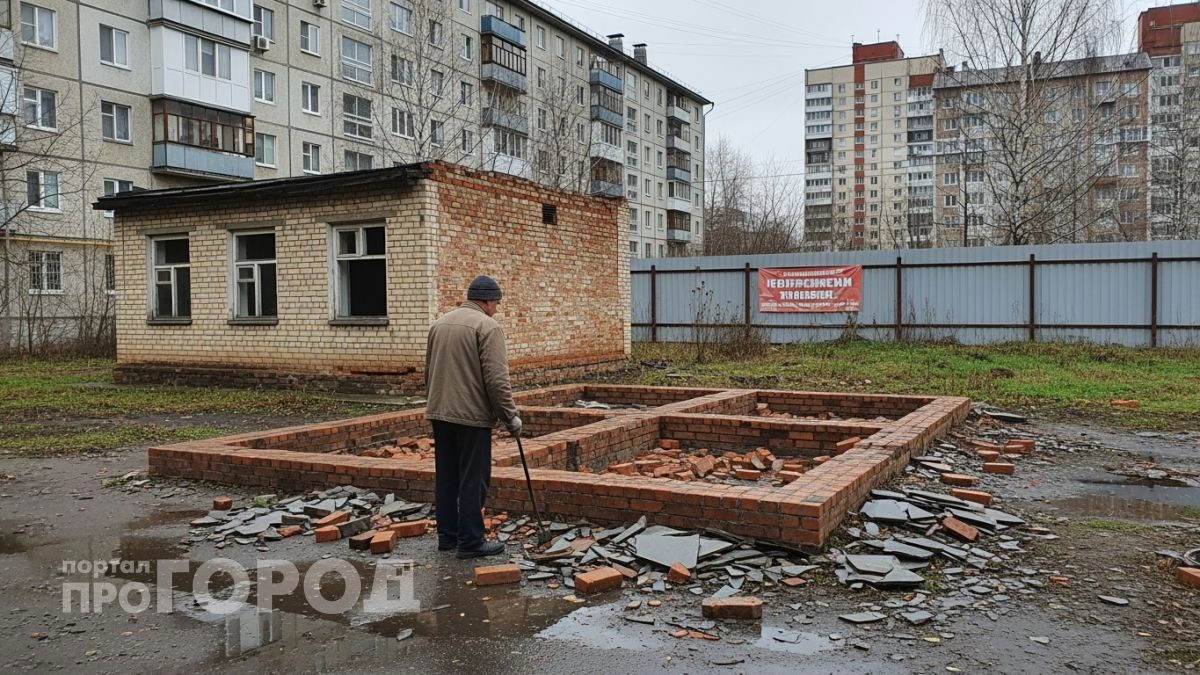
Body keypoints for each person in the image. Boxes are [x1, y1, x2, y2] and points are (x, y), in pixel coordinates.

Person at [425, 275, 522, 559]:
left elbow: (429, 370)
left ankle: (448, 537)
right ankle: (471, 541)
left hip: (440, 412)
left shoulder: (440, 324)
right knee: (473, 478)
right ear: (488, 301)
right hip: (471, 416)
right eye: (497, 303)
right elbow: (496, 380)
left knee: (447, 476)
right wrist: (510, 416)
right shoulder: (487, 327)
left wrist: (434, 404)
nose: (497, 309)